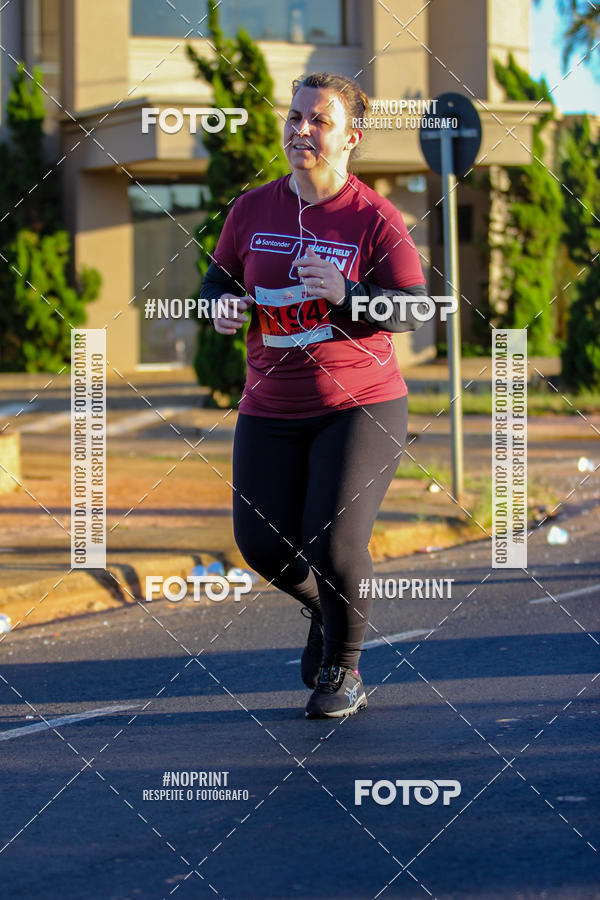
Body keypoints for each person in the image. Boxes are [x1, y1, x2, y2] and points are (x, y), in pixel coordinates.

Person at [200, 72, 428, 719]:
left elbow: (414, 309)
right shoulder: (252, 210)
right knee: (264, 546)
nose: (302, 129)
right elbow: (213, 283)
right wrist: (220, 306)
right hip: (270, 406)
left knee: (331, 545)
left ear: (351, 137)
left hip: (360, 404)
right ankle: (324, 608)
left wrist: (347, 293)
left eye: (318, 120)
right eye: (295, 116)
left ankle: (343, 671)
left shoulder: (374, 218)